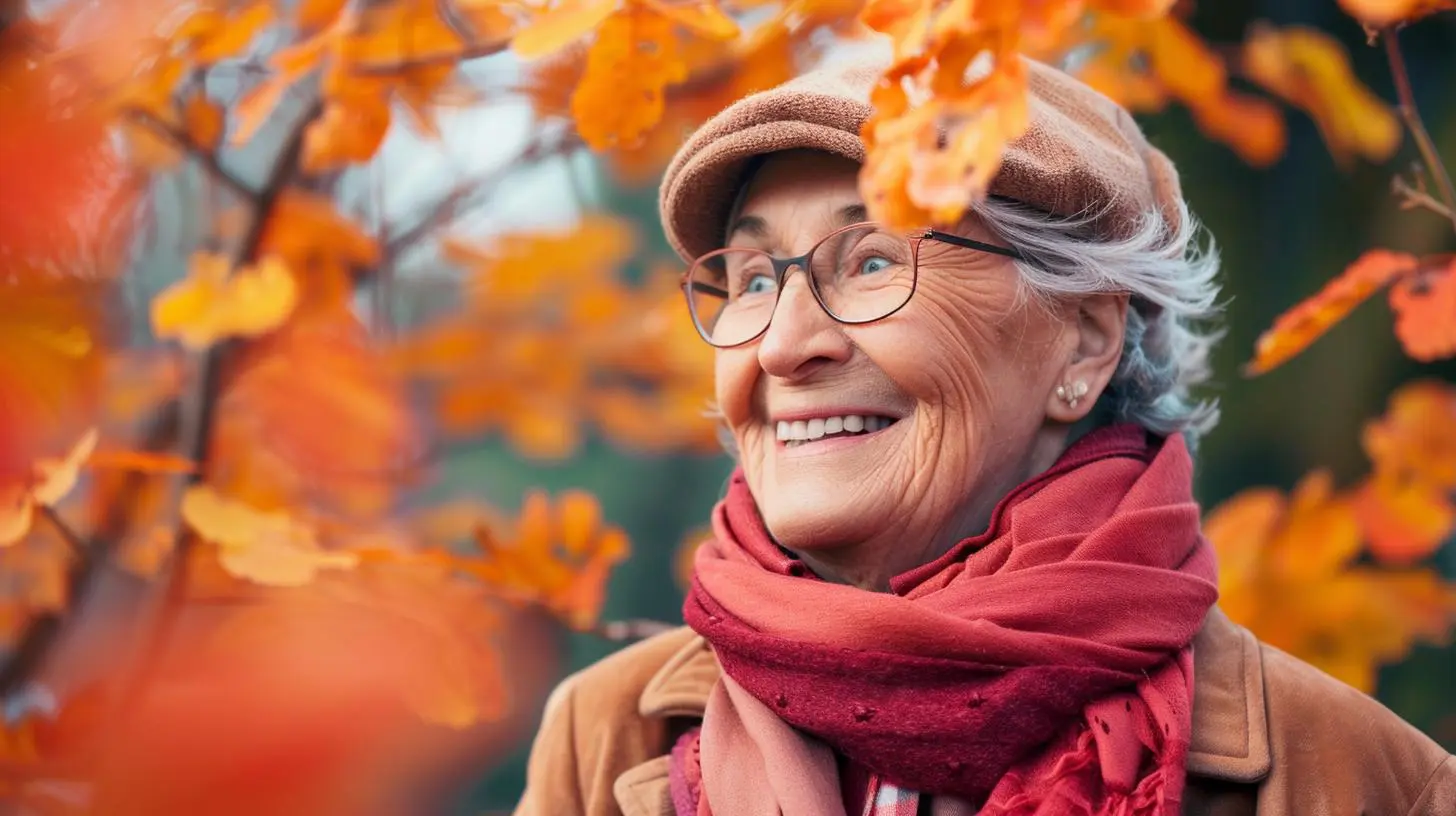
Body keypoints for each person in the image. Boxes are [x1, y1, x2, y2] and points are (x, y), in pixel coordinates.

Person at [512, 48, 1455, 816]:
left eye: (872, 259)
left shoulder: (1368, 781)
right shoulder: (601, 738)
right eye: (756, 280)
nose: (784, 345)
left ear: (1084, 340)